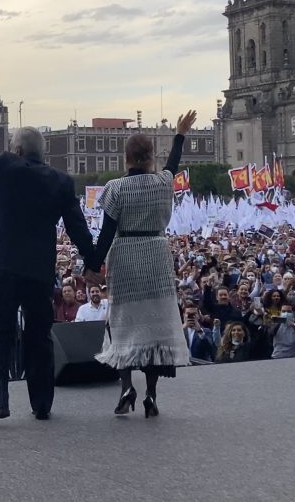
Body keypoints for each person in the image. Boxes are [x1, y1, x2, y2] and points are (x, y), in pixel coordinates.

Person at [0, 83, 95, 426]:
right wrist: (93, 262)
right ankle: (41, 403)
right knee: (38, 336)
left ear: (19, 150)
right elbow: (78, 228)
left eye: (11, 146)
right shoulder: (61, 182)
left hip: (2, 265)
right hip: (38, 271)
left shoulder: (5, 168)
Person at [89, 110, 198, 419]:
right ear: (151, 157)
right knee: (155, 330)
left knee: (122, 324)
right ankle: (151, 394)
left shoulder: (115, 189)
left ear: (126, 158)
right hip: (156, 256)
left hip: (124, 254)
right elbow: (173, 166)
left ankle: (126, 387)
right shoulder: (163, 183)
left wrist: (93, 267)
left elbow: (105, 234)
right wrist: (179, 134)